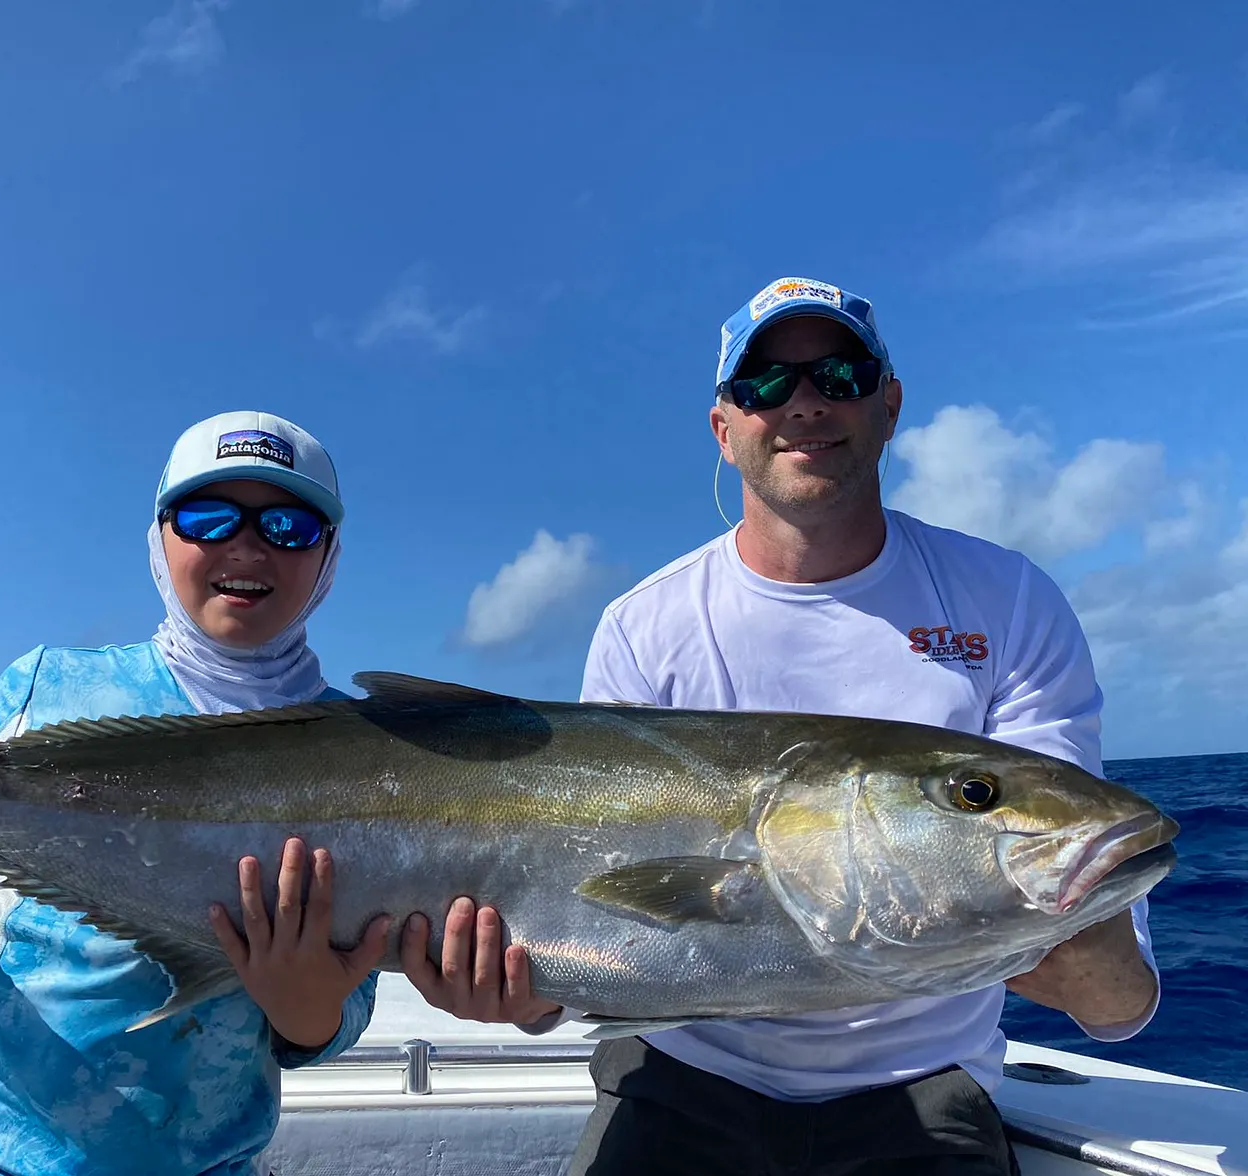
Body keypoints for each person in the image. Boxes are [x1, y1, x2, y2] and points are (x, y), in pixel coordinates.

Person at [413, 277, 1164, 1174]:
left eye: (838, 376)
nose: (804, 404)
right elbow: (589, 917)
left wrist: (1077, 933)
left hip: (923, 1085)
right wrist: (517, 991)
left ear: (889, 405)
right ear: (724, 429)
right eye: (765, 386)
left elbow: (1114, 1000)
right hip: (681, 1069)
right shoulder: (644, 627)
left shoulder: (1007, 603)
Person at [0, 410, 388, 1176]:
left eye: (289, 524)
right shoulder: (47, 686)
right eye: (207, 516)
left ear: (330, 556)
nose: (247, 545)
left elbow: (342, 1008)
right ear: (159, 537)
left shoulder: (379, 751)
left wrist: (305, 1006)